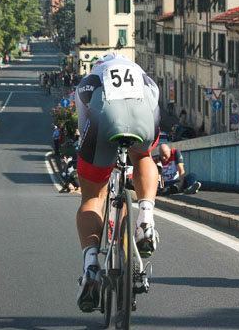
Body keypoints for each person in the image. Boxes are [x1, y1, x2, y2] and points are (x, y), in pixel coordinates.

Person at [74, 52, 161, 313]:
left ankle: (91, 265)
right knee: (144, 155)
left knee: (92, 195)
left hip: (104, 113)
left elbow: (84, 130)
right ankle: (145, 219)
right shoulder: (144, 77)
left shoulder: (88, 80)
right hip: (142, 106)